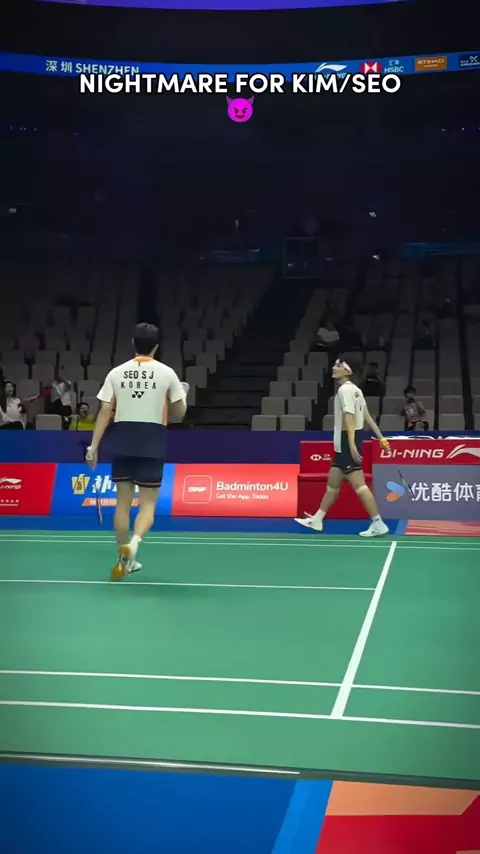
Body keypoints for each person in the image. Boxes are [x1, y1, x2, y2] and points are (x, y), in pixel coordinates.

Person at [85, 323, 188, 579]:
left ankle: (122, 560)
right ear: (156, 346)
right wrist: (183, 396)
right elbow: (178, 415)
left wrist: (93, 446)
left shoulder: (116, 373)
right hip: (152, 440)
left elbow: (105, 412)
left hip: (123, 439)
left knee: (122, 503)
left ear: (133, 343)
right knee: (148, 505)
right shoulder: (167, 373)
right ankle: (134, 544)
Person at [295, 359, 390, 538]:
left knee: (360, 487)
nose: (334, 367)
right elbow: (368, 416)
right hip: (345, 443)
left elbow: (349, 417)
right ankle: (317, 519)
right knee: (332, 486)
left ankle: (378, 523)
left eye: (339, 366)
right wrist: (382, 438)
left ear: (347, 372)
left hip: (347, 441)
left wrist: (351, 444)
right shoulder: (356, 390)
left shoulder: (344, 390)